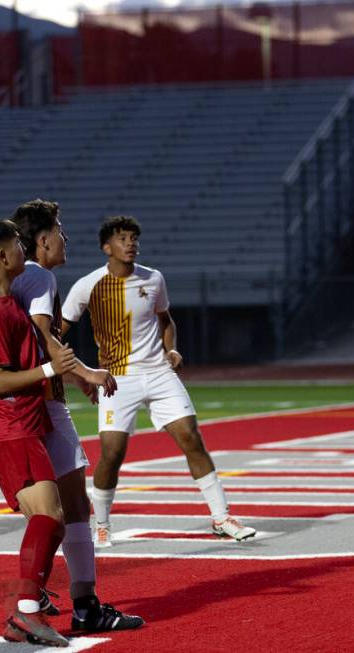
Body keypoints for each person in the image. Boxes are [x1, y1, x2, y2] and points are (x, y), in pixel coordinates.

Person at [62, 215, 256, 546]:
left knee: (191, 437)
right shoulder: (87, 285)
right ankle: (104, 523)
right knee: (112, 453)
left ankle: (221, 517)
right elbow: (56, 335)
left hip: (158, 372)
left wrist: (172, 349)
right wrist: (78, 373)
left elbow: (166, 321)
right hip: (117, 378)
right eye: (123, 239)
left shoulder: (153, 279)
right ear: (106, 247)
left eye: (134, 238)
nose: (131, 243)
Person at [5, 199, 143, 631]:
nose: (66, 238)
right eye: (60, 230)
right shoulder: (40, 275)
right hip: (43, 402)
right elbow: (45, 334)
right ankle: (85, 604)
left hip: (13, 407)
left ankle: (39, 589)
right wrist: (85, 371)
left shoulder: (6, 281)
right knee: (73, 505)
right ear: (42, 240)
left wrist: (74, 372)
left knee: (41, 509)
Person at [0, 218, 76, 647]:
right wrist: (51, 369)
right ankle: (26, 610)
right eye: (16, 243)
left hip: (24, 426)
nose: (23, 249)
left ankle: (30, 603)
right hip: (13, 430)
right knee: (49, 518)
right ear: (1, 255)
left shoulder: (0, 300)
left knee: (53, 523)